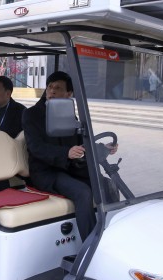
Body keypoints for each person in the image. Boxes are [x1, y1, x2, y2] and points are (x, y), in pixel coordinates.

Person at [22, 71, 118, 242]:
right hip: (46, 171)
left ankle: (111, 236)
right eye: (50, 87)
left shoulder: (68, 114)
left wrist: (104, 148)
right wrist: (65, 153)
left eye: (57, 88)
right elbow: (36, 147)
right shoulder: (32, 115)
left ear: (68, 94)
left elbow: (82, 143)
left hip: (70, 168)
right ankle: (90, 247)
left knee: (106, 184)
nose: (51, 91)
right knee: (83, 192)